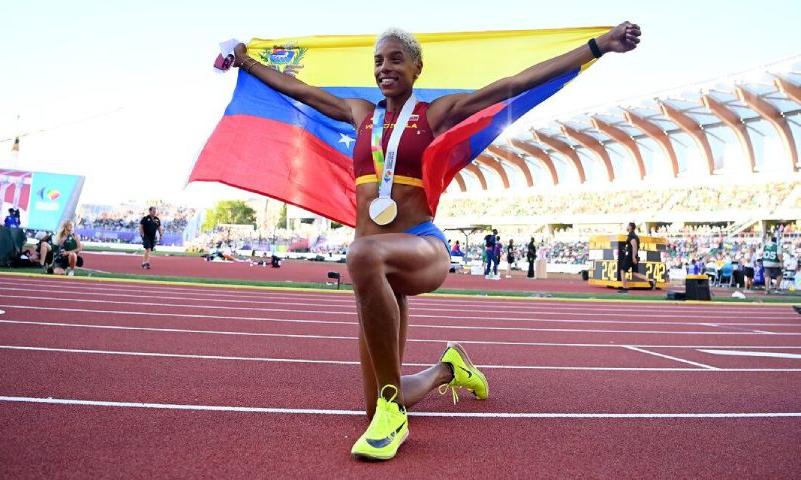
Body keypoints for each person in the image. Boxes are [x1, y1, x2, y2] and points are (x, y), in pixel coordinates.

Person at [231, 21, 640, 460]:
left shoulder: (435, 114)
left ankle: (394, 418)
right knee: (380, 394)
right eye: (378, 61)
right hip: (376, 265)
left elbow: (514, 84)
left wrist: (598, 47)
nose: (384, 68)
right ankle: (448, 369)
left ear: (416, 67)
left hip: (421, 248)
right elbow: (302, 92)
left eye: (395, 59)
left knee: (361, 254)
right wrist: (246, 62)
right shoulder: (359, 113)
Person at [619, 222, 655, 292]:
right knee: (635, 273)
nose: (626, 227)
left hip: (630, 256)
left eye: (627, 226)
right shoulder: (634, 235)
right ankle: (651, 281)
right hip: (633, 255)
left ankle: (625, 287)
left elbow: (634, 246)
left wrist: (633, 257)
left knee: (622, 270)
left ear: (630, 227)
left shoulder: (632, 236)